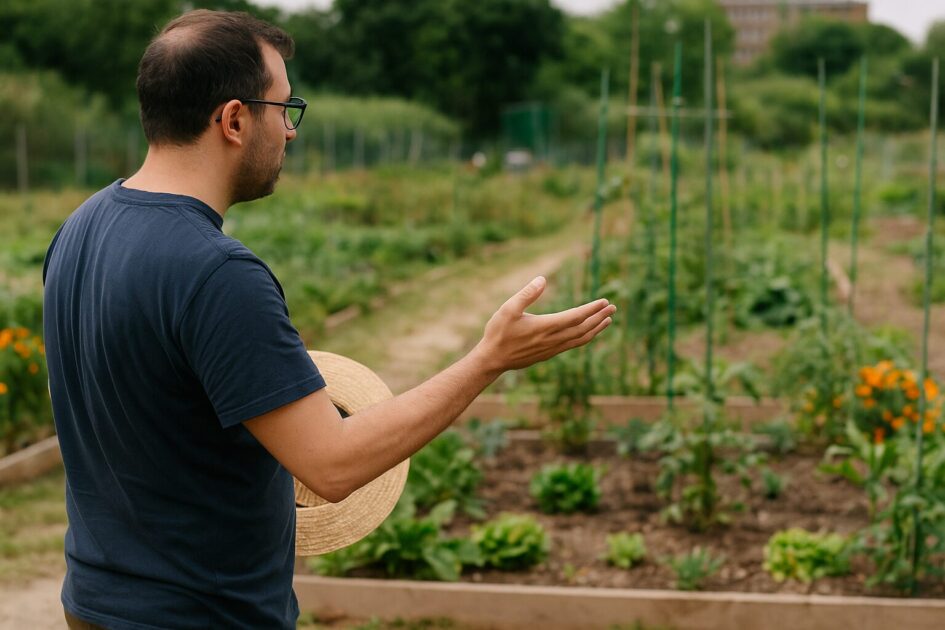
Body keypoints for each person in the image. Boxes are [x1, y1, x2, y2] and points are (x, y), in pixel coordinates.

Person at [42, 9, 615, 630]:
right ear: (233, 120)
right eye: (283, 108)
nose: (290, 131)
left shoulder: (80, 228)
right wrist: (488, 361)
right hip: (198, 615)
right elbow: (331, 465)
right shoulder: (217, 273)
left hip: (93, 604)